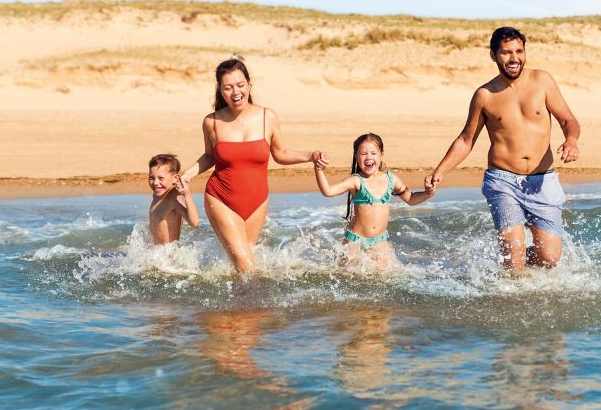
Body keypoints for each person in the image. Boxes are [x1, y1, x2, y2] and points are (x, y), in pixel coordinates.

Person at [424, 27, 581, 272]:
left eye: (519, 51)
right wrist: (440, 171)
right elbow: (466, 139)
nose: (514, 58)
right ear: (493, 55)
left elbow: (568, 120)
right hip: (502, 180)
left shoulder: (542, 81)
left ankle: (504, 264)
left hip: (543, 181)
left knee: (549, 258)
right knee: (513, 254)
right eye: (506, 53)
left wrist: (571, 140)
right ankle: (511, 286)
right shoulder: (484, 95)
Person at [178, 58, 324, 274]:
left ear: (249, 85)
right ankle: (255, 306)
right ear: (220, 90)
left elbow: (280, 154)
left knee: (243, 264)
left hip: (258, 202)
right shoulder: (212, 122)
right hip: (221, 198)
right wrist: (188, 174)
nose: (235, 92)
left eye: (240, 85)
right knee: (246, 266)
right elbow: (210, 156)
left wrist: (310, 155)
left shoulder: (267, 117)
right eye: (228, 87)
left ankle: (237, 308)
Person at [313, 132, 434, 271]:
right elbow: (328, 191)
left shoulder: (391, 180)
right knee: (347, 275)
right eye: (363, 153)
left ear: (381, 154)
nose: (368, 157)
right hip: (355, 241)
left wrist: (427, 193)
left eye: (373, 153)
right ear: (356, 156)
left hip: (379, 241)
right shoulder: (356, 181)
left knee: (389, 275)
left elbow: (411, 199)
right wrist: (318, 169)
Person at [146, 153, 199, 245]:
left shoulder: (175, 198)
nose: (155, 183)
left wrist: (187, 195)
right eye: (151, 178)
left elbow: (194, 223)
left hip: (169, 256)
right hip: (156, 254)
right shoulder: (157, 195)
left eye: (161, 178)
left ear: (175, 178)